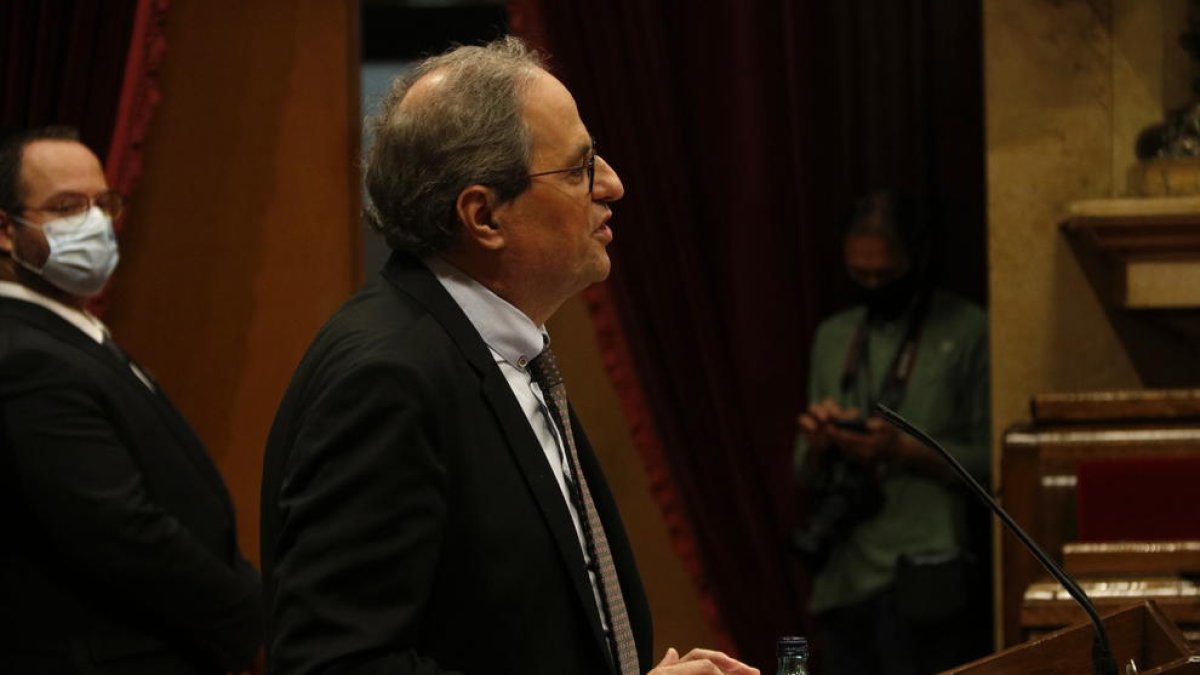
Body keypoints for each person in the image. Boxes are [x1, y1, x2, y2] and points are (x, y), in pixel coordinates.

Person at [260, 37, 758, 675]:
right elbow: (335, 665)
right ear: (484, 215)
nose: (613, 184)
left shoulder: (499, 349)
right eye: (579, 168)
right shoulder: (388, 377)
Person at [0, 126, 263, 673]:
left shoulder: (69, 329)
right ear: (6, 231)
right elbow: (120, 532)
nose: (95, 223)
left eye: (104, 203)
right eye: (67, 207)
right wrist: (253, 620)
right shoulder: (25, 356)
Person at [792, 191, 990, 675]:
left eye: (887, 275)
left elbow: (995, 465)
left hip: (926, 572)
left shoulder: (967, 330)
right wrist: (821, 443)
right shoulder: (834, 336)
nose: (875, 286)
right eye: (861, 276)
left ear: (916, 259)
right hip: (844, 572)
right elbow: (801, 470)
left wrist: (901, 450)